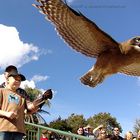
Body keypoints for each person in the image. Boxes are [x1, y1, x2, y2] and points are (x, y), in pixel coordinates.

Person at [0, 70, 39, 140]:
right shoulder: (1, 91)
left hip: (19, 131)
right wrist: (6, 113)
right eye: (15, 79)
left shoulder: (22, 96)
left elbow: (28, 111)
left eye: (19, 80)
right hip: (3, 129)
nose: (18, 81)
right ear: (8, 80)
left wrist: (42, 100)